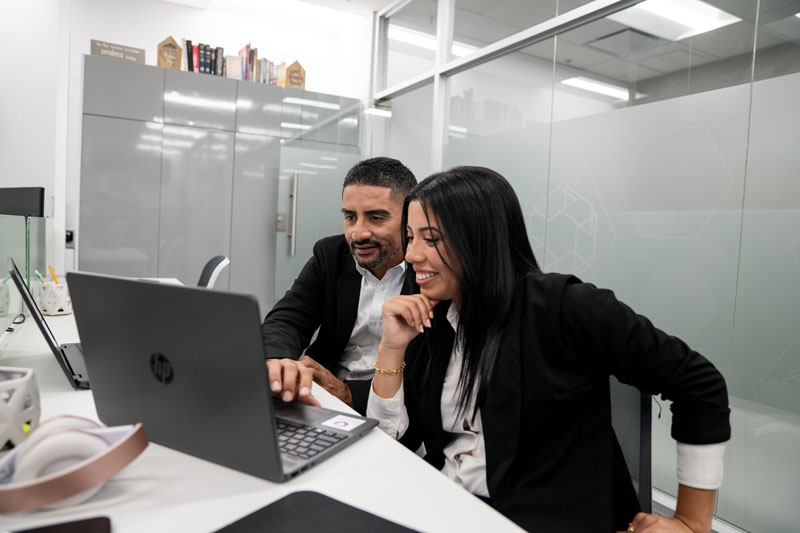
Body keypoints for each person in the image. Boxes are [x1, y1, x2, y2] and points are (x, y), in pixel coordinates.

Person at [368, 167, 731, 532]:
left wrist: (691, 522)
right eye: (410, 237)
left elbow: (698, 382)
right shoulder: (433, 314)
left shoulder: (561, 306)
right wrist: (391, 348)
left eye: (430, 239)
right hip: (447, 506)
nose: (411, 254)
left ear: (479, 239)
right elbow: (393, 441)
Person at [263, 157, 416, 414]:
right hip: (322, 396)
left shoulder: (427, 270)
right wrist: (279, 362)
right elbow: (287, 320)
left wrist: (349, 394)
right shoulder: (330, 254)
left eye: (376, 218)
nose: (358, 233)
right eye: (350, 217)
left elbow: (432, 377)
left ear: (409, 218)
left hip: (395, 408)